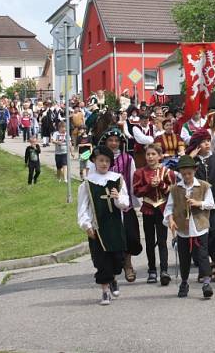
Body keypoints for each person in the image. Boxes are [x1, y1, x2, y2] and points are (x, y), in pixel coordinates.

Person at [76, 145, 130, 305]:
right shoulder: (87, 183)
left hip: (114, 227)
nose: (104, 164)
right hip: (97, 228)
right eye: (101, 160)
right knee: (102, 261)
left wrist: (118, 197)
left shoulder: (117, 179)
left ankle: (113, 278)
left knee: (117, 260)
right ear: (94, 161)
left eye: (107, 161)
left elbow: (125, 203)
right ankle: (105, 291)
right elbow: (82, 207)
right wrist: (86, 225)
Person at [165, 155, 215, 299]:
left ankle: (206, 282)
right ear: (180, 173)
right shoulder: (175, 189)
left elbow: (211, 203)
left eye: (189, 173)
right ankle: (184, 282)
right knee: (184, 257)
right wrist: (170, 219)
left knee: (202, 255)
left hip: (200, 227)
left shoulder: (204, 186)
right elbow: (169, 208)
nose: (187, 176)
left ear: (195, 170)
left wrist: (199, 203)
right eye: (184, 173)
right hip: (183, 229)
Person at [97, 127, 143, 283]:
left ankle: (128, 264)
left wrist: (133, 201)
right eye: (110, 140)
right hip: (106, 204)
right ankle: (114, 268)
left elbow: (132, 178)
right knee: (112, 238)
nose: (114, 143)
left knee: (130, 236)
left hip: (124, 202)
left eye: (116, 141)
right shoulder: (99, 160)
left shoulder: (127, 159)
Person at [187, 129, 215, 282]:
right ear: (196, 145)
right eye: (203, 141)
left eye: (208, 140)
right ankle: (204, 267)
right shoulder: (191, 161)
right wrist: (190, 159)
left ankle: (214, 260)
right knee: (200, 236)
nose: (207, 143)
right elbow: (183, 179)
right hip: (197, 205)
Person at [133, 143, 175, 286]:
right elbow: (137, 192)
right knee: (150, 241)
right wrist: (150, 185)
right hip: (148, 209)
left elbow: (172, 190)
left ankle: (164, 270)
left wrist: (161, 185)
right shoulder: (140, 172)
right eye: (148, 154)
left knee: (162, 241)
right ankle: (152, 270)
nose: (150, 157)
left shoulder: (167, 172)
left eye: (153, 154)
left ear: (160, 156)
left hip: (162, 209)